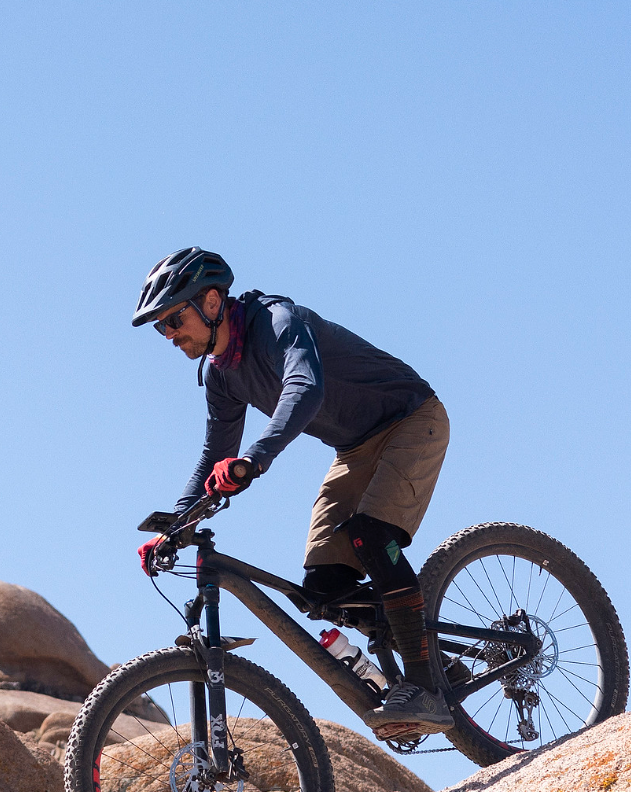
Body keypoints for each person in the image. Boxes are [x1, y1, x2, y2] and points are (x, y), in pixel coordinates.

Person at [131, 246, 454, 732]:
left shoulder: (278, 321)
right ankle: (433, 659)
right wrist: (174, 525)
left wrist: (253, 460)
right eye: (162, 327)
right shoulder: (222, 377)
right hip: (356, 448)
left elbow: (305, 387)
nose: (170, 336)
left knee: (370, 534)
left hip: (411, 420)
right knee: (323, 588)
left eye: (174, 320)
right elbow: (213, 455)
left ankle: (426, 690)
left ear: (213, 302)